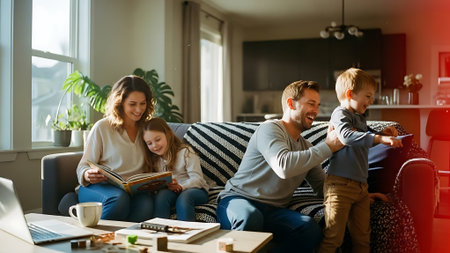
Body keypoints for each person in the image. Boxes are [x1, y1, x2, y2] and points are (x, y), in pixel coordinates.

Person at [216, 80, 344, 253]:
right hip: (238, 200)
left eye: (318, 105)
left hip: (273, 210)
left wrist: (358, 194)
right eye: (311, 104)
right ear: (290, 103)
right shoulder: (269, 129)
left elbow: (322, 186)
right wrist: (327, 146)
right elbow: (283, 166)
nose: (316, 110)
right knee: (251, 217)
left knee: (309, 230)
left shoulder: (306, 147)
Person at [318, 68, 402, 253]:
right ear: (350, 94)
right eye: (368, 96)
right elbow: (347, 137)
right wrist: (379, 139)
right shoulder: (340, 114)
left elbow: (362, 140)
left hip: (361, 188)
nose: (371, 101)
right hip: (339, 186)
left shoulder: (359, 117)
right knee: (334, 238)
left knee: (363, 238)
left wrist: (380, 134)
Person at [76, 75, 155, 222]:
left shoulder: (148, 129)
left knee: (146, 205)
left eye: (142, 103)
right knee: (119, 199)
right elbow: (82, 166)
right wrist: (87, 174)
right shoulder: (102, 127)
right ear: (120, 103)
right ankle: (98, 240)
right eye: (132, 104)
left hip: (134, 190)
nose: (139, 110)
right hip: (99, 188)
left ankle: (126, 242)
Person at [143, 117, 209, 221]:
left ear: (168, 134)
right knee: (162, 196)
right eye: (149, 143)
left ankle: (188, 232)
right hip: (172, 191)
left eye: (158, 140)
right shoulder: (155, 159)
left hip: (196, 190)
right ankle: (159, 231)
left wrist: (181, 187)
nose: (154, 146)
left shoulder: (186, 152)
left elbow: (198, 179)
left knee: (184, 198)